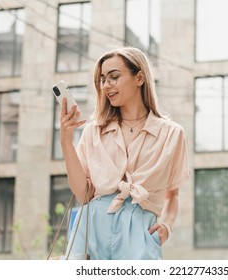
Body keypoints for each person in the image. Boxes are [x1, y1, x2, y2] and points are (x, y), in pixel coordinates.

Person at [60, 46, 190, 260]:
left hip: (140, 230)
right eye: (102, 79)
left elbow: (172, 195)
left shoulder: (172, 134)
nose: (106, 85)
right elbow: (83, 194)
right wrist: (66, 139)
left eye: (114, 77)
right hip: (92, 228)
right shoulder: (93, 131)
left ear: (139, 78)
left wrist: (166, 226)